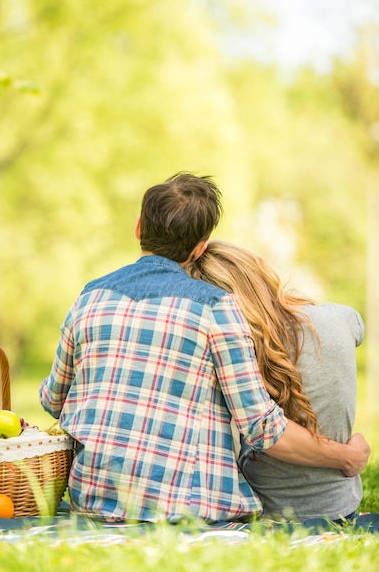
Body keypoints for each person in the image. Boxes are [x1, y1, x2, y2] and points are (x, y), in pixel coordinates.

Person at [39, 172, 370, 523]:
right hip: (183, 513)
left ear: (138, 227)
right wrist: (345, 458)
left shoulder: (89, 297)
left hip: (92, 500)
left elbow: (52, 400)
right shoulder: (216, 307)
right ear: (200, 247)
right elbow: (262, 428)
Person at [187, 240, 365, 522]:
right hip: (340, 504)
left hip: (263, 508)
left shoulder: (228, 344)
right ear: (260, 273)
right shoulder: (339, 316)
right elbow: (358, 329)